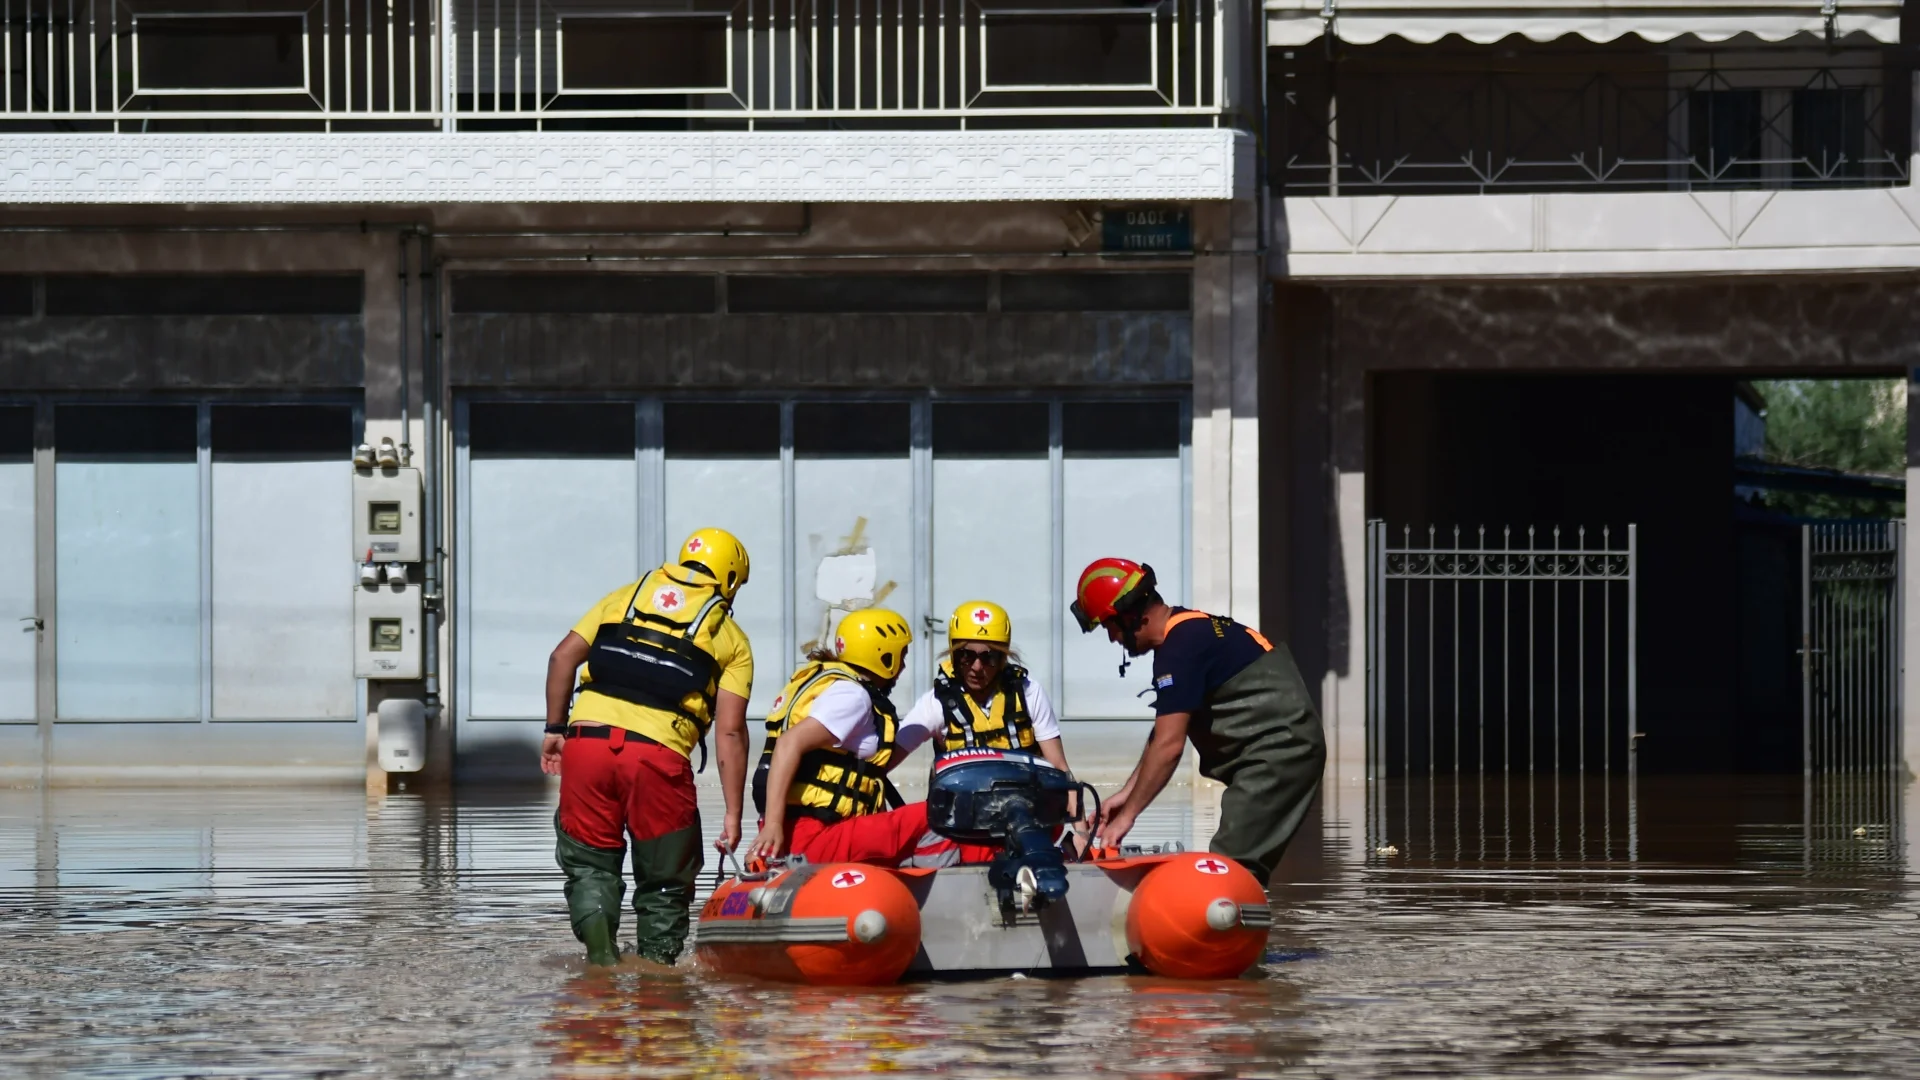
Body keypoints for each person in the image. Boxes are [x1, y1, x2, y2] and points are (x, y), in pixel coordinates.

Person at [541, 528, 755, 967]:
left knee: (590, 866)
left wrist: (554, 728)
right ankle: (657, 984)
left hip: (588, 746)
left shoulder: (623, 597)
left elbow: (562, 657)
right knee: (664, 880)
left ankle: (601, 965)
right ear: (730, 579)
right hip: (658, 757)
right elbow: (730, 732)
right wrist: (734, 814)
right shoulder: (731, 637)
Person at [1071, 557, 1325, 883]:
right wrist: (1127, 794)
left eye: (1110, 626)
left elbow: (1169, 747)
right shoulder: (1190, 630)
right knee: (1235, 866)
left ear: (1131, 615)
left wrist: (1127, 818)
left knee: (1231, 869)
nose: (1112, 639)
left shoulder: (1178, 651)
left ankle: (1224, 920)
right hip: (1281, 749)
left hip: (1276, 754)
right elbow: (1163, 734)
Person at [746, 608, 995, 868]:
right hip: (817, 836)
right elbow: (789, 743)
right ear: (884, 657)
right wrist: (773, 825)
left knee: (904, 819)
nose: (903, 666)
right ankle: (952, 892)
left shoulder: (827, 683)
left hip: (806, 830)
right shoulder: (853, 696)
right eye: (902, 656)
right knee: (941, 812)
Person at [901, 600, 1073, 773]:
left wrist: (1072, 798)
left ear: (1002, 659)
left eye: (988, 658)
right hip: (963, 800)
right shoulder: (936, 704)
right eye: (966, 656)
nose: (976, 667)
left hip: (1023, 798)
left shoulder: (1029, 693)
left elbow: (1059, 768)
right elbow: (883, 760)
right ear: (954, 655)